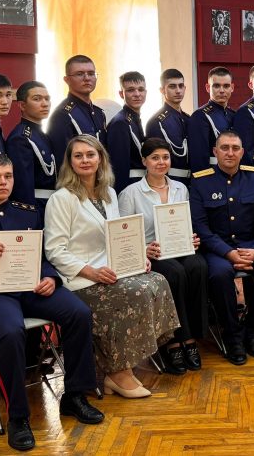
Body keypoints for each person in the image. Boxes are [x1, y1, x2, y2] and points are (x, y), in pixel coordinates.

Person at [0, 154, 103, 450]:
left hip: (30, 286)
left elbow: (45, 257)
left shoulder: (28, 213)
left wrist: (51, 277)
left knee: (78, 312)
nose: (3, 182)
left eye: (8, 176)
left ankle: (75, 395)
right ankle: (18, 417)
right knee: (11, 331)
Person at [44, 135, 179, 397]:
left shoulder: (108, 195)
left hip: (111, 269)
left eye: (90, 154)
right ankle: (117, 372)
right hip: (81, 277)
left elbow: (117, 237)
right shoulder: (62, 199)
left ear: (101, 159)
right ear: (70, 162)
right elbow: (55, 250)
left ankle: (125, 365)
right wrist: (91, 271)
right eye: (78, 156)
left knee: (158, 281)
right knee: (134, 292)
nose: (85, 160)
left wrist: (138, 257)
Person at [189, 131, 254, 365]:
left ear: (242, 152)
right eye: (224, 148)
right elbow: (200, 226)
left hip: (252, 244)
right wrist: (228, 253)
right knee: (219, 274)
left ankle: (252, 330)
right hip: (218, 248)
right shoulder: (200, 181)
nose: (230, 153)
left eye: (235, 148)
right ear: (215, 151)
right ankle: (232, 335)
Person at [118, 138, 208, 374]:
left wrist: (192, 238)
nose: (161, 162)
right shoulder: (131, 193)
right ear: (144, 161)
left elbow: (185, 223)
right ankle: (174, 340)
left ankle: (194, 334)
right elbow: (123, 235)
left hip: (179, 248)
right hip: (152, 253)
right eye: (155, 158)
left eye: (165, 157)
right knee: (175, 274)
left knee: (198, 266)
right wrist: (143, 249)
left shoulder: (181, 188)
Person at [6, 81, 57, 216]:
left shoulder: (41, 135)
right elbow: (22, 187)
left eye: (47, 99)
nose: (45, 104)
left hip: (51, 205)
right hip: (37, 207)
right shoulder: (20, 138)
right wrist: (29, 216)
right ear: (22, 105)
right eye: (37, 99)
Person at [47, 55, 108, 164]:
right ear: (67, 80)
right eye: (79, 74)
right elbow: (62, 160)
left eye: (91, 73)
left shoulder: (99, 113)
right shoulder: (63, 115)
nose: (87, 78)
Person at [146, 69, 192, 183]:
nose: (178, 91)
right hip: (170, 182)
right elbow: (155, 160)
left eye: (181, 86)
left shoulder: (188, 119)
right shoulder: (156, 122)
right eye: (172, 86)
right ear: (162, 90)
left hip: (192, 182)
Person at [188, 67, 236, 173]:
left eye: (226, 86)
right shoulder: (200, 116)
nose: (222, 90)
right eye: (216, 86)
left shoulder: (233, 115)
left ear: (232, 88)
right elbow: (199, 158)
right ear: (207, 87)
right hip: (212, 175)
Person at [106, 71, 148, 193]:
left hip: (139, 184)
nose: (137, 94)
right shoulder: (120, 123)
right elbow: (118, 167)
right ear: (121, 94)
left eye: (141, 89)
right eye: (130, 90)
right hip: (129, 187)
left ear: (146, 92)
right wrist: (121, 195)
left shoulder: (133, 119)